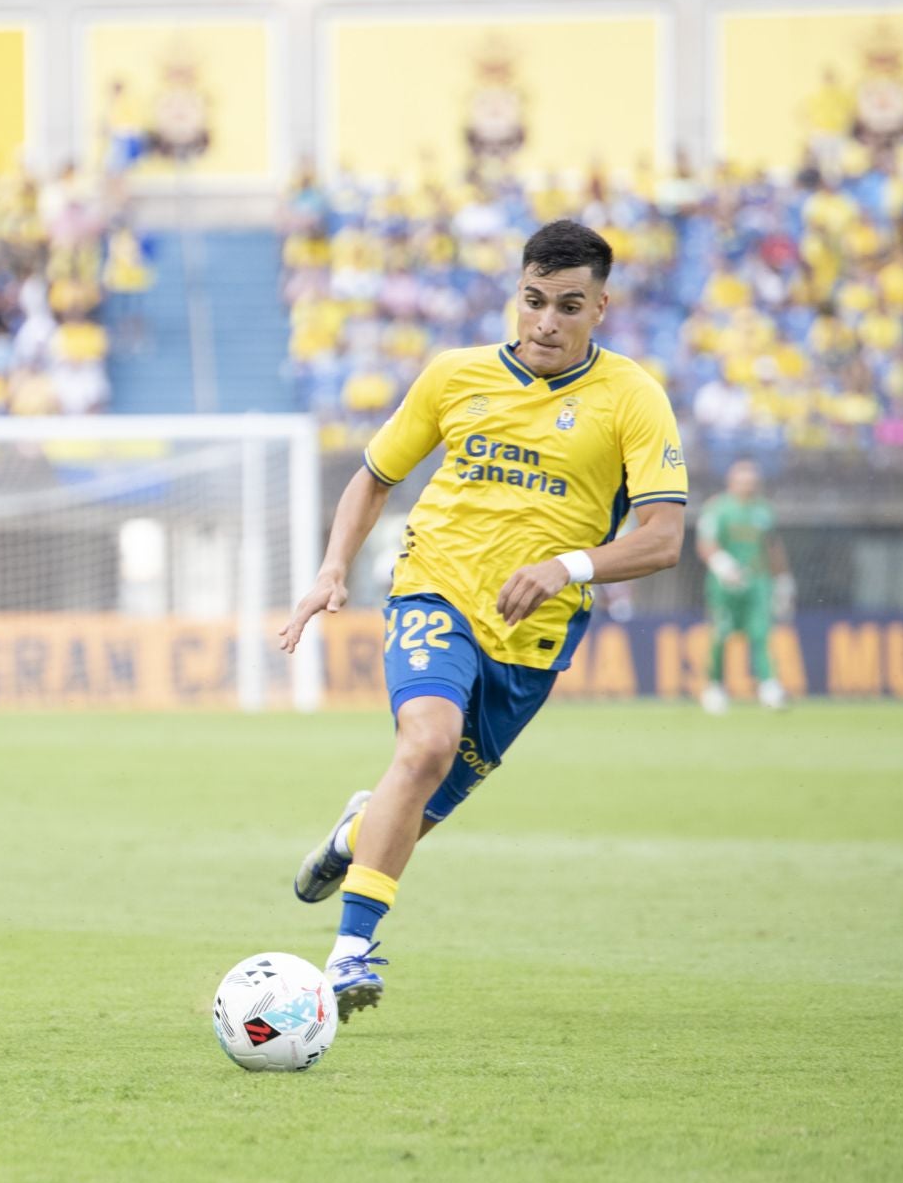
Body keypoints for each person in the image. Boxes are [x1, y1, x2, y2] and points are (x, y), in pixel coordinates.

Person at [277, 220, 687, 1023]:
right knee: (425, 743)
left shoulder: (633, 397)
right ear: (517, 294)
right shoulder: (454, 376)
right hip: (434, 592)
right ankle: (351, 952)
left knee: (415, 810)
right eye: (533, 301)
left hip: (533, 641)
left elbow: (663, 537)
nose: (545, 322)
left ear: (600, 307)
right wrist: (332, 568)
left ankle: (354, 835)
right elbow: (374, 477)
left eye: (569, 306)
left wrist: (566, 566)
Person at [696, 459, 793, 714]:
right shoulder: (717, 509)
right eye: (743, 481)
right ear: (732, 482)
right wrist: (722, 564)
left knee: (761, 633)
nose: (747, 486)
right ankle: (714, 687)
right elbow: (706, 543)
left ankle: (769, 687)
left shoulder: (763, 510)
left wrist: (783, 580)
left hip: (758, 580)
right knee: (720, 634)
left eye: (751, 481)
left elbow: (772, 547)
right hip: (724, 583)